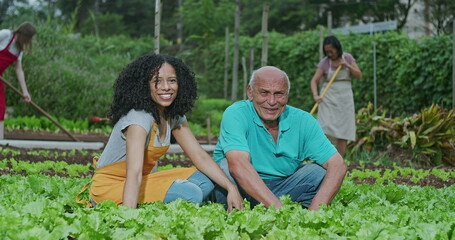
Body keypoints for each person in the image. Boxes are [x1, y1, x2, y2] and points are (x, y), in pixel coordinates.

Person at [77, 53, 243, 212]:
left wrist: (231, 187)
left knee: (212, 177)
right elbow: (134, 173)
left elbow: (199, 156)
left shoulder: (173, 116)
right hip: (110, 188)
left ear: (181, 84)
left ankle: (166, 203)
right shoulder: (138, 118)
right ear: (144, 85)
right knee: (191, 193)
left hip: (143, 182)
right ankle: (143, 207)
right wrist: (127, 218)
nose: (166, 87)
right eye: (157, 81)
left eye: (172, 81)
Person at [211, 66, 347, 211]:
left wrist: (315, 212)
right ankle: (241, 212)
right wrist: (280, 211)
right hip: (241, 190)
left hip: (283, 187)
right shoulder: (236, 113)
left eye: (279, 94)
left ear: (287, 95)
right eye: (264, 93)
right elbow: (238, 165)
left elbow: (338, 165)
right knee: (225, 166)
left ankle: (304, 211)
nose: (271, 101)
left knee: (318, 172)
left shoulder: (303, 120)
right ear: (250, 92)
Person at [310, 35, 362, 156]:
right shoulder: (324, 62)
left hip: (345, 98)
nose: (329, 54)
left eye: (331, 51)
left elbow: (359, 76)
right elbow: (314, 81)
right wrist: (315, 95)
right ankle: (327, 158)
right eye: (327, 51)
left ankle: (340, 161)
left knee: (343, 131)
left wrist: (347, 65)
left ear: (337, 48)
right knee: (325, 127)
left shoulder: (348, 58)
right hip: (328, 97)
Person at [0, 22, 36, 139]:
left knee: (1, 107)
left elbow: (19, 70)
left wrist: (25, 92)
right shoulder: (6, 35)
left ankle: (0, 139)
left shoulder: (19, 50)